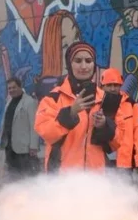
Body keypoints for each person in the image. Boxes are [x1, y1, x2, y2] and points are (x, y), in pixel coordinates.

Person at [35, 41, 128, 172]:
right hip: (61, 179)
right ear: (69, 64)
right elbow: (46, 133)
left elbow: (118, 142)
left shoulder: (106, 98)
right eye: (78, 61)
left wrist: (104, 125)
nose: (84, 66)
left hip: (96, 179)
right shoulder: (54, 97)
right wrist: (71, 113)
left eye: (88, 61)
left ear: (94, 64)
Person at [99, 67, 138, 176]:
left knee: (124, 192)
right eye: (109, 85)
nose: (112, 89)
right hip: (100, 162)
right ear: (102, 86)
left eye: (116, 85)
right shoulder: (95, 104)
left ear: (120, 86)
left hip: (124, 163)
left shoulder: (131, 104)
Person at [0, 77, 41, 181]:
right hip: (9, 146)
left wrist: (33, 147)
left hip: (25, 149)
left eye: (14, 87)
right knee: (12, 175)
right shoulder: (9, 102)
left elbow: (34, 125)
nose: (11, 90)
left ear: (20, 87)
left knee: (25, 176)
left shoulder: (30, 102)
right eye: (9, 88)